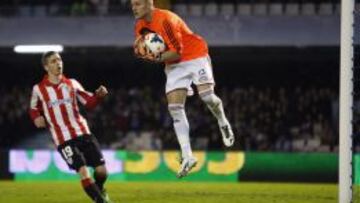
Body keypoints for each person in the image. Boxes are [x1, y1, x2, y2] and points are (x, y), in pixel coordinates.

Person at [131, 0, 235, 178]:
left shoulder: (166, 19)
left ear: (150, 4)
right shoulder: (140, 26)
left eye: (138, 4)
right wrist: (147, 54)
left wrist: (154, 58)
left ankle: (223, 122)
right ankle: (188, 156)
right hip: (174, 66)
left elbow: (176, 52)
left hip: (194, 55)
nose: (134, 8)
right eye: (132, 4)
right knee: (175, 109)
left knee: (207, 97)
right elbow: (151, 50)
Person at [29, 51, 113, 203]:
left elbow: (88, 102)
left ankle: (99, 188)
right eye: (53, 61)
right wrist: (36, 118)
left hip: (82, 132)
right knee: (82, 170)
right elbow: (33, 108)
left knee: (102, 172)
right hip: (63, 139)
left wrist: (98, 96)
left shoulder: (72, 84)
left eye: (59, 60)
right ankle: (100, 201)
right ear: (46, 67)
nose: (58, 63)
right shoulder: (38, 89)